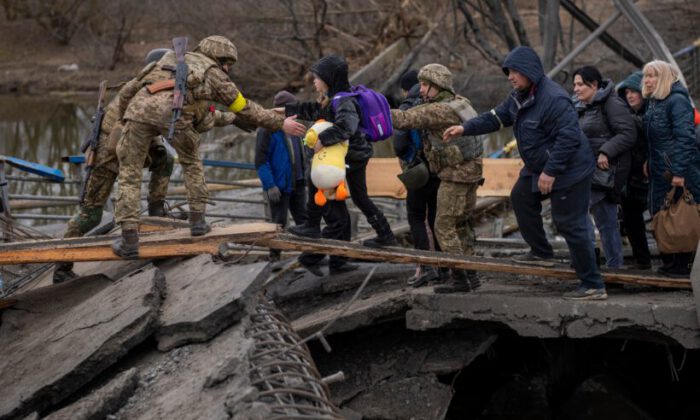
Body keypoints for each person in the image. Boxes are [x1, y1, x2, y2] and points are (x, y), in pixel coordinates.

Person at [112, 35, 306, 259]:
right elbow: (244, 107)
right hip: (178, 118)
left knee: (129, 174)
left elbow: (127, 91)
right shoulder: (213, 73)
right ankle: (197, 222)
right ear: (219, 58)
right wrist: (280, 123)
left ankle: (129, 240)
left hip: (137, 113)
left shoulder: (168, 57)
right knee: (192, 165)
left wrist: (126, 119)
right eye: (228, 64)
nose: (227, 69)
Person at [52, 48, 232, 283]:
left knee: (164, 159)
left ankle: (156, 208)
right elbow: (196, 118)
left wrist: (226, 116)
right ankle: (62, 267)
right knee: (91, 215)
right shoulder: (143, 88)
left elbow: (191, 116)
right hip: (108, 153)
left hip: (131, 144)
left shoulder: (158, 90)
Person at [444, 46, 606, 300]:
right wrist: (464, 129)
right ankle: (541, 253)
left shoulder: (554, 99)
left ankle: (593, 284)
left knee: (569, 223)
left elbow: (569, 137)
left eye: (515, 72)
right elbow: (495, 118)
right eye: (508, 72)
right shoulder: (518, 96)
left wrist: (550, 172)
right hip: (539, 165)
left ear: (530, 71)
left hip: (570, 169)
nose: (510, 76)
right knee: (521, 196)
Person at [391, 63, 483, 293]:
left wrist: (371, 109)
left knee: (443, 226)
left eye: (424, 85)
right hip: (470, 172)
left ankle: (460, 278)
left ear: (437, 86)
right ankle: (471, 275)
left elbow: (403, 119)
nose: (420, 90)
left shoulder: (439, 110)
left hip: (455, 176)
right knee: (462, 226)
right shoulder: (461, 101)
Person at [284, 55, 374, 275]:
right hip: (326, 170)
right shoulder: (330, 100)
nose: (313, 81)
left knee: (339, 219)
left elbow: (346, 126)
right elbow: (313, 110)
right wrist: (286, 111)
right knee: (337, 219)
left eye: (316, 77)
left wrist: (323, 140)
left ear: (328, 79)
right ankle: (315, 259)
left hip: (328, 168)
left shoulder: (339, 101)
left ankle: (335, 262)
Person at [572, 66, 636, 269]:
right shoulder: (581, 106)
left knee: (605, 220)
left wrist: (606, 151)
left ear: (594, 85)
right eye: (574, 84)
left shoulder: (612, 103)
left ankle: (613, 267)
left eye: (580, 84)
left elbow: (628, 134)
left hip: (608, 170)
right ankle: (590, 262)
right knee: (587, 217)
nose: (576, 89)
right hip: (585, 170)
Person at [642, 60, 700, 278]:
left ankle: (682, 263)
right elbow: (656, 138)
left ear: (664, 77)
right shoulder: (655, 101)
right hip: (660, 167)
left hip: (676, 169)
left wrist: (679, 172)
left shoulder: (676, 101)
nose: (647, 80)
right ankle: (671, 261)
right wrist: (649, 160)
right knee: (662, 212)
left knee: (681, 214)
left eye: (652, 76)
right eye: (646, 76)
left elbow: (686, 138)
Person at [392, 69, 446, 287]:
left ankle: (424, 267)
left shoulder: (407, 108)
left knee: (415, 215)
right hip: (439, 169)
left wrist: (410, 158)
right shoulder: (433, 102)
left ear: (406, 89)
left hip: (419, 171)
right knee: (435, 216)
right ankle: (443, 266)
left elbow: (399, 144)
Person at [255, 90, 308, 262]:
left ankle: (310, 255)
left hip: (298, 183)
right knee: (278, 222)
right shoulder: (267, 129)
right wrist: (269, 185)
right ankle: (274, 257)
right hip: (279, 185)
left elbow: (302, 151)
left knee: (304, 222)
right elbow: (261, 161)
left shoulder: (295, 126)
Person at [616, 70, 652, 270]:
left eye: (634, 91)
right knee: (632, 219)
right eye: (627, 92)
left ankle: (672, 260)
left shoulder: (654, 113)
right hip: (631, 177)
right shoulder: (626, 115)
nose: (630, 95)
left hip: (652, 173)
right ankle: (643, 260)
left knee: (662, 220)